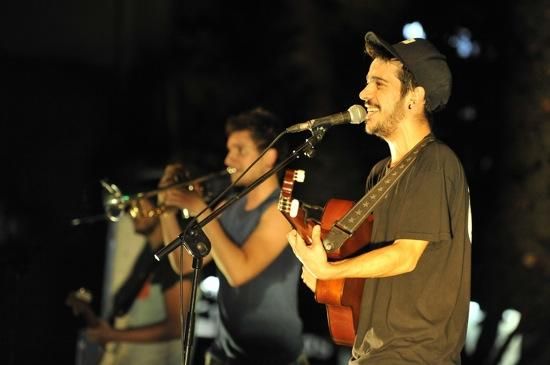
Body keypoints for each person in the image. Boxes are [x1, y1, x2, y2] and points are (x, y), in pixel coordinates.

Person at [288, 31, 472, 364]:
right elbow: (374, 267)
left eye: (379, 84)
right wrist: (325, 268)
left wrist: (331, 271)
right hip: (373, 352)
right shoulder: (380, 173)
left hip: (415, 356)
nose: (363, 94)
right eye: (367, 82)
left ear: (414, 98)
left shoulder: (436, 162)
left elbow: (405, 256)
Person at [158, 108, 307, 365]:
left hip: (275, 358)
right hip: (225, 356)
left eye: (240, 150)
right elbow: (182, 264)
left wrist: (198, 208)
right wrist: (166, 210)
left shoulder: (281, 210)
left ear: (268, 157)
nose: (229, 159)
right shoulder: (227, 206)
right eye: (229, 150)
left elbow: (239, 272)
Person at [84, 197, 191, 365]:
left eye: (140, 206)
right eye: (131, 209)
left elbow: (177, 328)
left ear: (160, 209)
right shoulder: (148, 253)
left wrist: (112, 335)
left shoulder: (175, 258)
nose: (133, 214)